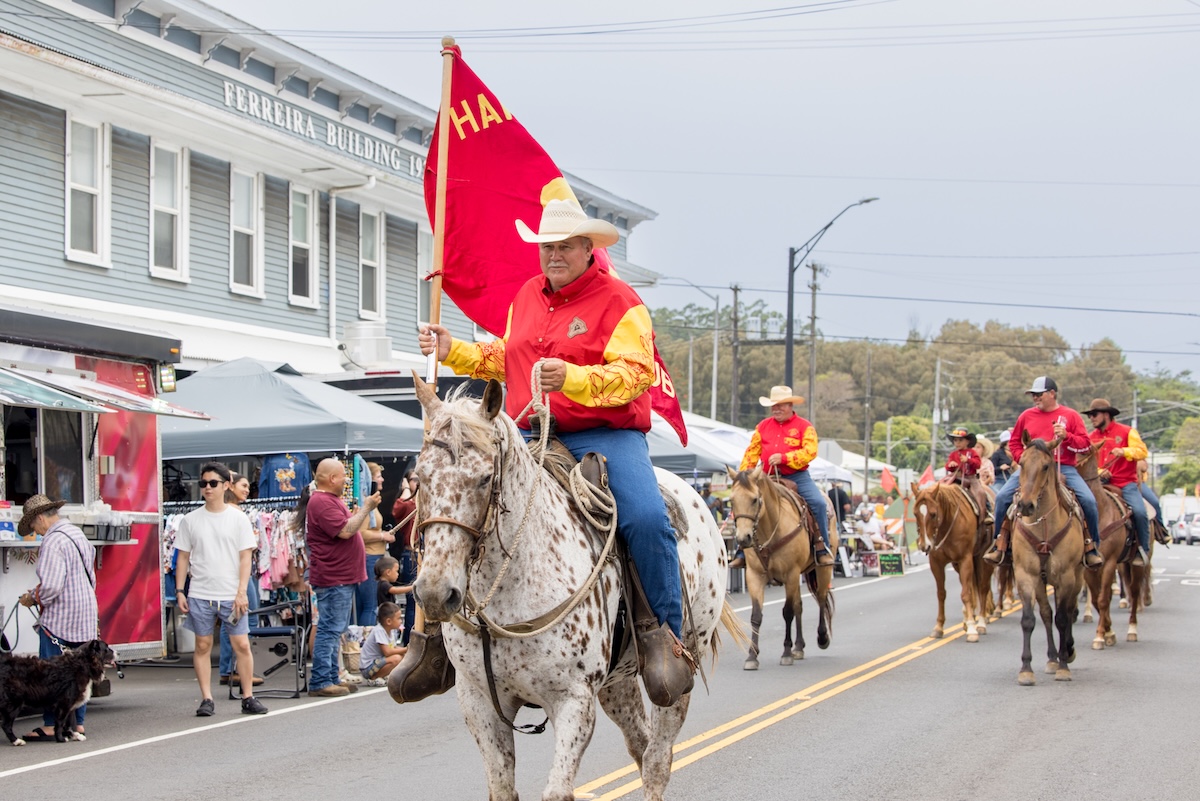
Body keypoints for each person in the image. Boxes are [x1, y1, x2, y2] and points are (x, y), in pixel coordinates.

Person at [418, 196, 694, 707]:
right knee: (455, 499)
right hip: (531, 433)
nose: (553, 255)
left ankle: (665, 637)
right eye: (547, 247)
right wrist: (451, 348)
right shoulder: (526, 295)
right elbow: (506, 356)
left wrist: (575, 378)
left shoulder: (621, 301)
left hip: (604, 435)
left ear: (589, 249)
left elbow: (637, 374)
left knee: (647, 520)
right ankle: (432, 637)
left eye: (564, 246)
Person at [174, 463, 267, 716]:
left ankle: (248, 696)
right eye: (203, 483)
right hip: (200, 592)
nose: (207, 488)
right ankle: (207, 698)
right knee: (203, 645)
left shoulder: (238, 518)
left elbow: (245, 557)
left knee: (242, 644)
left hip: (230, 592)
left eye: (213, 483)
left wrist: (241, 591)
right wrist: (180, 590)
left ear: (226, 485)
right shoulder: (190, 520)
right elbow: (182, 557)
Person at [984, 377, 1102, 568]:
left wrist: (1067, 437)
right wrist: (1025, 458)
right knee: (1002, 497)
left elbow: (1085, 446)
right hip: (1031, 469)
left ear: (1052, 394)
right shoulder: (1026, 416)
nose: (1035, 398)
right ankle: (1000, 545)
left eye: (1039, 394)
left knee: (1088, 500)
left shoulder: (1070, 416)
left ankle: (1092, 547)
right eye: (1033, 395)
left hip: (1063, 466)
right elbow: (1014, 442)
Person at [16, 494, 98, 741]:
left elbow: (51, 586)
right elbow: (90, 575)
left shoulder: (52, 542)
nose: (36, 532)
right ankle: (78, 723)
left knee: (52, 672)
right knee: (80, 670)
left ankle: (52, 723)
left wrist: (33, 597)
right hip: (85, 611)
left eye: (33, 526)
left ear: (40, 518)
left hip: (61, 617)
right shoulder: (77, 534)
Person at [302, 457, 379, 697]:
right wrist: (366, 508)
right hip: (334, 576)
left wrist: (355, 516)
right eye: (343, 476)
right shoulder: (322, 502)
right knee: (330, 628)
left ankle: (331, 676)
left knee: (335, 628)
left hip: (339, 576)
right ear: (332, 478)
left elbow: (345, 527)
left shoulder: (327, 501)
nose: (346, 480)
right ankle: (322, 680)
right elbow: (345, 531)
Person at [739, 385, 834, 566]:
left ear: (790, 405)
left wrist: (785, 458)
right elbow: (752, 452)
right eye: (773, 405)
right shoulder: (762, 427)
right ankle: (742, 549)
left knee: (819, 503)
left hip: (797, 476)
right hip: (766, 477)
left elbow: (810, 451)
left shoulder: (805, 427)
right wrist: (745, 475)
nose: (776, 409)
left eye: (781, 405)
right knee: (745, 501)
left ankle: (822, 547)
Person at [1082, 398, 1163, 567]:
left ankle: (1143, 549)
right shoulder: (1091, 438)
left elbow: (1142, 452)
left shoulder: (1127, 432)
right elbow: (1087, 463)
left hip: (1125, 484)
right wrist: (1099, 471)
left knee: (1140, 512)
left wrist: (1124, 451)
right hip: (1101, 484)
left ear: (1106, 414)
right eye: (1090, 415)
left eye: (1094, 414)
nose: (1092, 418)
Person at [218, 472, 262, 688]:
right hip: (238, 571)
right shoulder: (234, 513)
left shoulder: (228, 512)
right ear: (230, 486)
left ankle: (229, 668)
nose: (247, 489)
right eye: (243, 485)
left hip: (237, 570)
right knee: (245, 617)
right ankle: (234, 669)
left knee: (233, 617)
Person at [354, 462, 393, 627]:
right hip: (369, 558)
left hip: (373, 557)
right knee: (370, 606)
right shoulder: (365, 503)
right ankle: (365, 645)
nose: (382, 479)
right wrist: (382, 535)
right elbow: (361, 534)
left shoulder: (371, 502)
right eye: (378, 476)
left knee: (368, 605)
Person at [389, 472, 419, 644]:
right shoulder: (408, 503)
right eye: (415, 479)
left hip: (426, 554)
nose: (419, 482)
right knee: (413, 602)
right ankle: (410, 643)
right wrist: (406, 488)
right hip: (412, 554)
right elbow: (401, 508)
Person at [943, 427, 991, 520]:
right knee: (941, 490)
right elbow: (947, 466)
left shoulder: (972, 452)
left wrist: (968, 460)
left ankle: (985, 513)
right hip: (955, 478)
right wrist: (951, 465)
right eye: (955, 440)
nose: (957, 443)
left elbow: (978, 464)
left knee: (981, 493)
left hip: (971, 478)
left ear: (967, 441)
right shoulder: (953, 454)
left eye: (960, 440)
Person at [359, 601, 406, 685]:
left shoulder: (391, 631)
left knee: (402, 656)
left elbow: (394, 647)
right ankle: (374, 678)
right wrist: (406, 649)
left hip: (378, 663)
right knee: (396, 658)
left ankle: (383, 675)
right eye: (398, 618)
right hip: (368, 667)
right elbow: (387, 652)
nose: (401, 621)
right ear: (388, 621)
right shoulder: (379, 631)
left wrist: (407, 650)